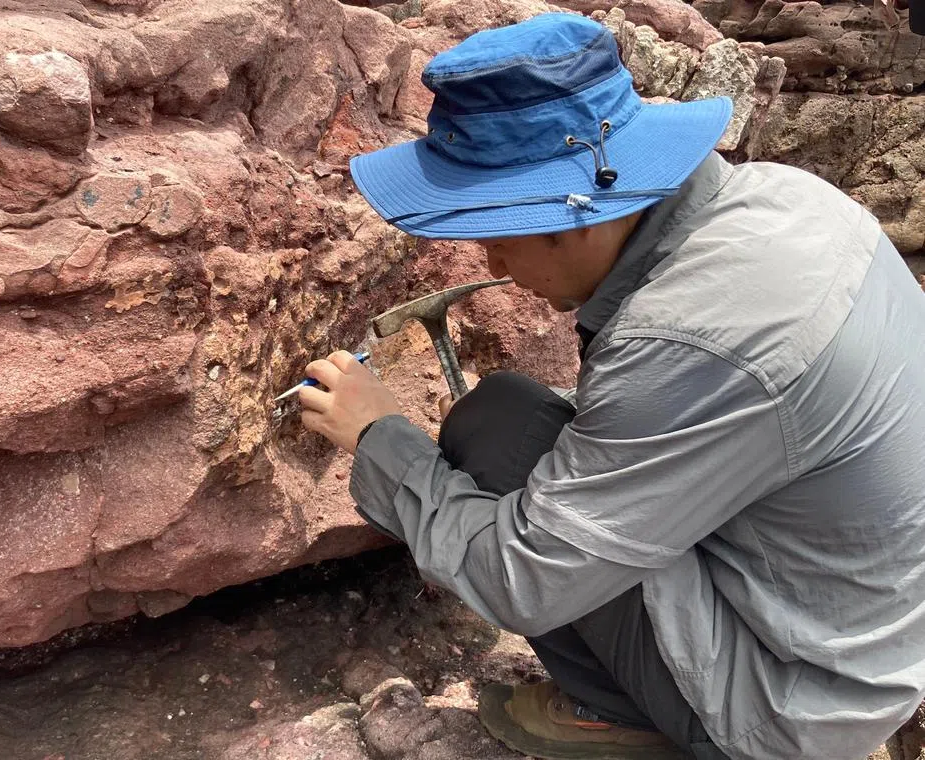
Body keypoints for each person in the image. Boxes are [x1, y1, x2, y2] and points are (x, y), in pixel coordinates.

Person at [294, 11, 925, 760]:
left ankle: (627, 712)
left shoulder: (688, 338)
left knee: (494, 438)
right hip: (871, 636)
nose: (494, 268)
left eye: (499, 236)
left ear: (583, 215)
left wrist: (379, 437)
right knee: (509, 413)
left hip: (793, 704)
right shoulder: (787, 197)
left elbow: (520, 581)